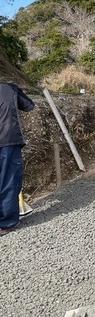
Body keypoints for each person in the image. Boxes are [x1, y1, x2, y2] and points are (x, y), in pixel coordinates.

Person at [0, 80, 35, 236]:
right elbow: (29, 105)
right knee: (8, 180)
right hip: (8, 140)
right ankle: (7, 222)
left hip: (8, 140)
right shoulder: (10, 88)